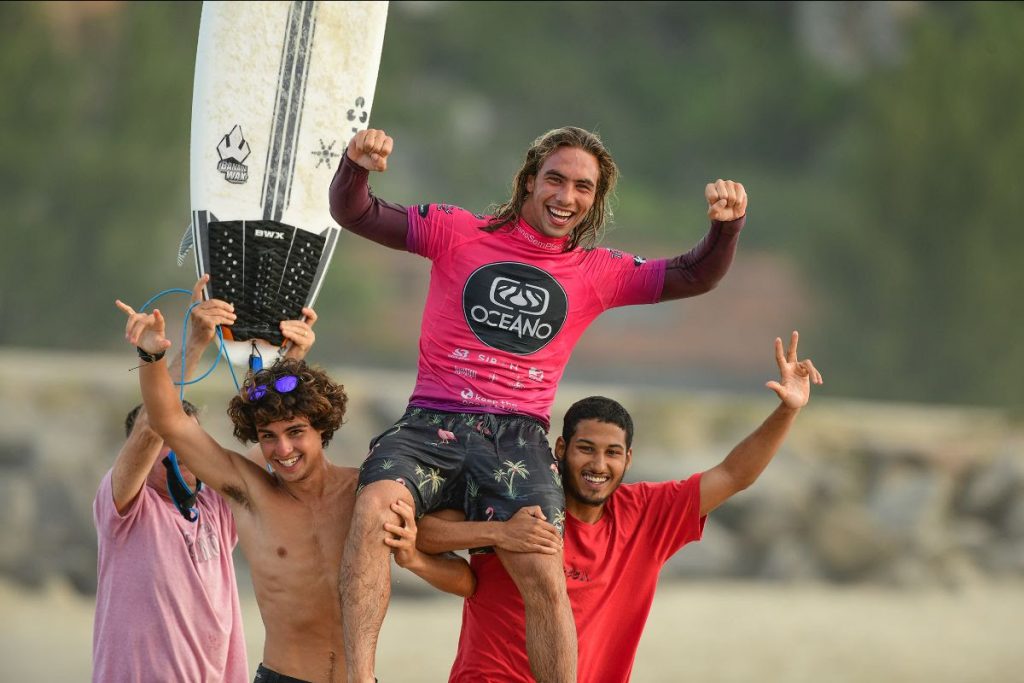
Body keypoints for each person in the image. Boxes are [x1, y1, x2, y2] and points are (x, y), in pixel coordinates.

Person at [330, 125, 748, 682]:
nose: (565, 196)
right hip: (433, 419)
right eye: (554, 179)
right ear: (529, 181)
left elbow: (695, 274)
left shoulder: (596, 272)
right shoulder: (457, 231)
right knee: (375, 507)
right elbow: (355, 213)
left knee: (545, 570)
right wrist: (355, 164)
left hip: (519, 436)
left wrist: (726, 227)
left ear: (594, 201)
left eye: (582, 187)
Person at [417, 331, 821, 682]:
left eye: (612, 453)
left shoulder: (647, 513)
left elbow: (734, 474)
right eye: (586, 449)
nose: (598, 465)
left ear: (628, 459)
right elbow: (425, 532)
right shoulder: (519, 493)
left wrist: (788, 410)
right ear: (560, 450)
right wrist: (500, 533)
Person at [115, 293, 473, 683]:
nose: (282, 450)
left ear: (323, 428)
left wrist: (413, 559)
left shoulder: (368, 494)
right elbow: (170, 421)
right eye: (268, 436)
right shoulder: (253, 496)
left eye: (296, 433)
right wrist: (151, 357)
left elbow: (465, 581)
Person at [94, 275, 318, 683]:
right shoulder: (124, 510)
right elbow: (152, 423)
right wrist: (194, 341)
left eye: (190, 439)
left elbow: (275, 452)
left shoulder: (216, 507)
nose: (183, 450)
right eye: (171, 440)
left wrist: (292, 360)